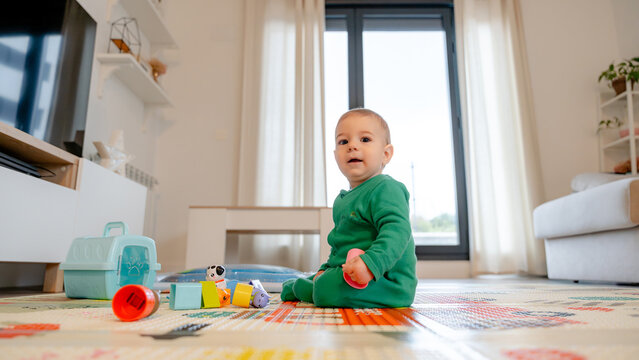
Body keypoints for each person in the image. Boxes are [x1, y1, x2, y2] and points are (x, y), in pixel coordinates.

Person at [280, 108, 417, 308]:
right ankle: (312, 283)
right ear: (336, 155)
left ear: (386, 154)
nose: (352, 146)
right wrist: (327, 268)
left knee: (327, 287)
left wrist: (370, 265)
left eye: (365, 140)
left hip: (388, 282)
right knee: (324, 278)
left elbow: (397, 232)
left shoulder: (386, 188)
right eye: (343, 141)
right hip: (352, 273)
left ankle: (306, 288)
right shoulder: (342, 200)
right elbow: (340, 245)